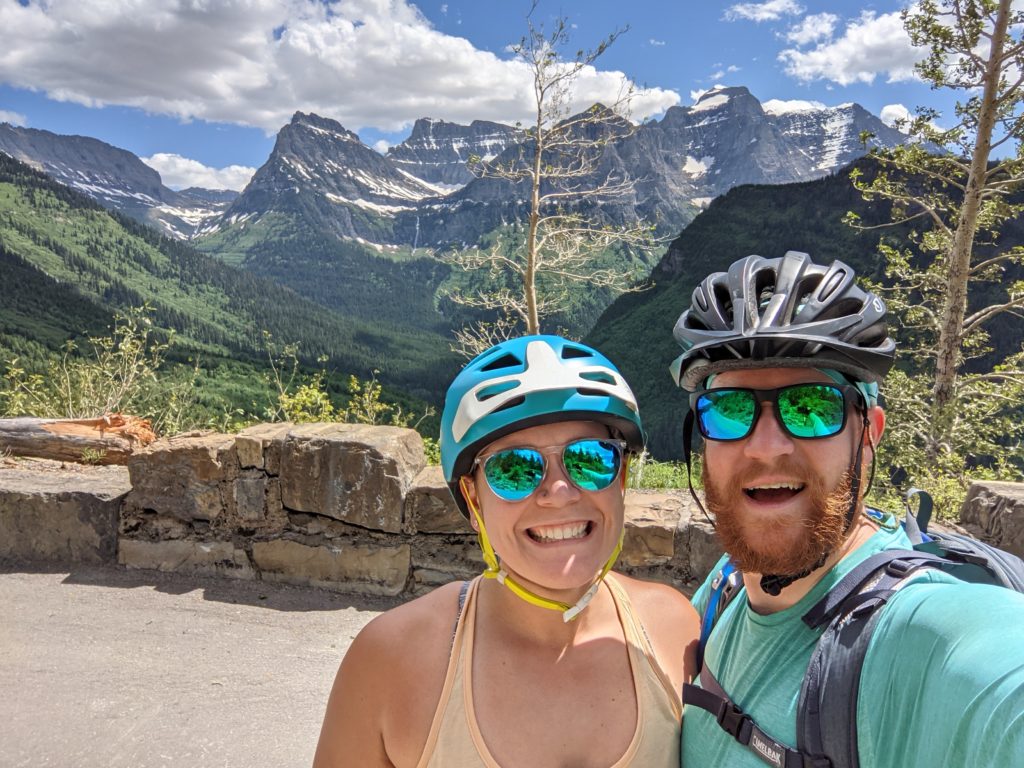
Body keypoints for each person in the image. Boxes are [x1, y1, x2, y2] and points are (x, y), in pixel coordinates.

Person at [670, 250, 1024, 767]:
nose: (766, 448)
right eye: (729, 409)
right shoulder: (723, 590)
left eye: (811, 407)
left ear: (868, 436)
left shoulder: (916, 632)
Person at [313, 334, 699, 768]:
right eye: (514, 469)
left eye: (591, 458)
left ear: (622, 477)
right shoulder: (390, 663)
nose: (558, 491)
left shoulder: (673, 630)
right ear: (474, 499)